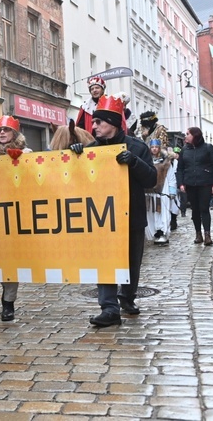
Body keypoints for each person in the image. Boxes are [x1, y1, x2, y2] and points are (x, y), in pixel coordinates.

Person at [70, 95, 156, 326]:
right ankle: (109, 308)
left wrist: (134, 162)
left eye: (99, 122)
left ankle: (127, 298)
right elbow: (77, 181)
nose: (93, 126)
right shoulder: (92, 149)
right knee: (104, 260)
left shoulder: (137, 147)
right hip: (103, 218)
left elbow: (151, 180)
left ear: (113, 124)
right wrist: (76, 157)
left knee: (131, 261)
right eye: (94, 122)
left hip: (132, 216)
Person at [0, 115, 31, 321]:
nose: (2, 133)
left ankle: (8, 303)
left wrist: (21, 162)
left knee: (11, 260)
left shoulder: (26, 153)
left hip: (18, 211)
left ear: (15, 133)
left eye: (6, 130)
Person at [176, 127, 213, 245]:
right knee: (195, 210)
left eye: (188, 134)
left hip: (205, 183)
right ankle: (198, 234)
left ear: (195, 136)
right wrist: (180, 183)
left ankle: (207, 234)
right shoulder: (184, 150)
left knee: (204, 208)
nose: (186, 136)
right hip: (190, 184)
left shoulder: (208, 148)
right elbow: (180, 169)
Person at [145, 139, 175, 245]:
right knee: (151, 212)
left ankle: (162, 232)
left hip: (163, 190)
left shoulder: (165, 162)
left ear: (159, 148)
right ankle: (155, 233)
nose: (154, 149)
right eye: (152, 147)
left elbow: (171, 177)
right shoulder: (146, 161)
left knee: (162, 212)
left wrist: (172, 191)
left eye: (156, 147)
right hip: (149, 191)